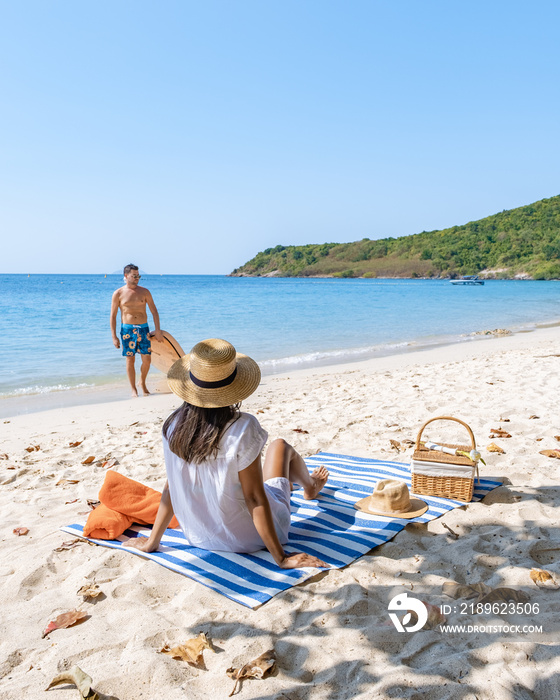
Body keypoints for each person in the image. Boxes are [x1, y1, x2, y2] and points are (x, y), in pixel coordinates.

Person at [126, 338, 330, 569]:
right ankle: (310, 486)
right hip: (249, 538)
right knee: (280, 446)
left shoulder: (173, 427)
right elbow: (254, 498)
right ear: (233, 387)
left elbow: (172, 485)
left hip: (200, 535)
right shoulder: (243, 428)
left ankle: (299, 484)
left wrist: (153, 542)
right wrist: (281, 558)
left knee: (249, 476)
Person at [110, 263, 163, 397]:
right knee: (130, 360)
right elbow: (113, 316)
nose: (137, 278)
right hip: (127, 329)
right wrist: (114, 336)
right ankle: (133, 389)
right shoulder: (118, 293)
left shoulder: (145, 292)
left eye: (138, 275)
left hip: (143, 328)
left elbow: (154, 311)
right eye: (134, 276)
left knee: (147, 360)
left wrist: (157, 330)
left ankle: (142, 382)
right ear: (126, 276)